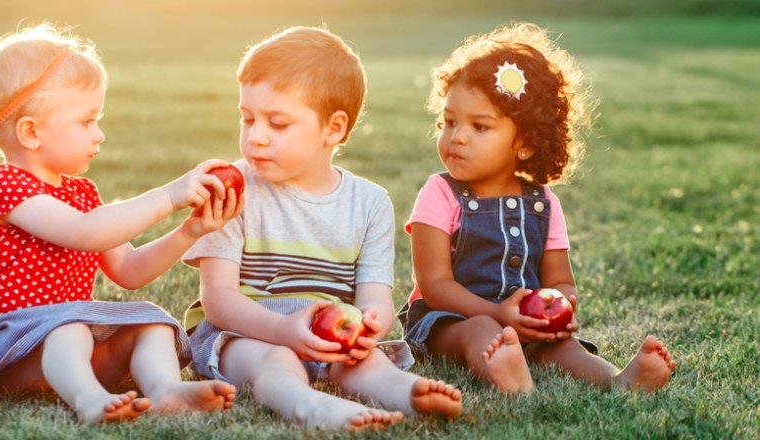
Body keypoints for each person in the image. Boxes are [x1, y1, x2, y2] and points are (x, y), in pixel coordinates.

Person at [0, 23, 240, 424]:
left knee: (149, 322)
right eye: (86, 121)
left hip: (66, 347)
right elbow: (87, 232)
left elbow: (130, 272)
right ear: (31, 132)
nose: (99, 135)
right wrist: (169, 196)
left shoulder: (82, 194)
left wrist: (189, 231)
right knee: (71, 328)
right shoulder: (6, 188)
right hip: (3, 352)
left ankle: (165, 390)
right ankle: (88, 400)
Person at [182, 26, 463, 431]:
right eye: (248, 119)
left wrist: (370, 326)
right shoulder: (233, 190)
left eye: (277, 123)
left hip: (331, 336)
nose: (256, 137)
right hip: (248, 332)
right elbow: (219, 299)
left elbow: (376, 299)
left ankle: (407, 391)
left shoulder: (369, 203)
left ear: (332, 128)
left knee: (367, 363)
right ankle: (307, 405)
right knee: (273, 362)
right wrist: (281, 330)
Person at [398, 22, 676, 394]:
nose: (457, 137)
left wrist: (560, 305)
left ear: (525, 143)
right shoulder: (440, 193)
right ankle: (509, 377)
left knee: (562, 347)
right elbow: (435, 286)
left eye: (480, 127)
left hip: (525, 324)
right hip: (449, 321)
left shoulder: (543, 203)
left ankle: (619, 380)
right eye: (449, 122)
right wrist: (496, 314)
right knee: (481, 332)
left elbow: (560, 280)